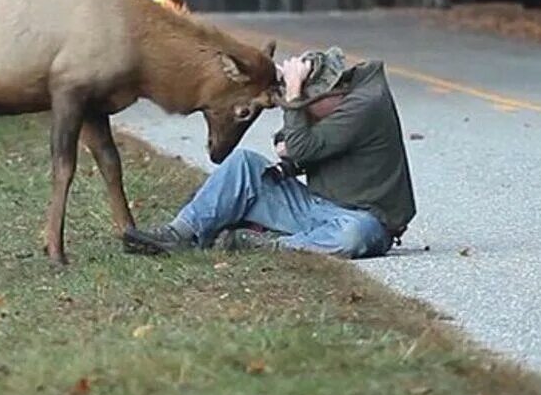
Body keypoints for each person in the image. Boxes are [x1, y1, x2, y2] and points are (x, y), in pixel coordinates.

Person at [123, 48, 416, 259]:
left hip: (365, 218)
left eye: (305, 104)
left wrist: (293, 98)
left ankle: (268, 244)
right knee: (244, 164)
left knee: (355, 236)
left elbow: (299, 146)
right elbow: (286, 144)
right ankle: (180, 233)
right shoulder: (336, 105)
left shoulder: (365, 107)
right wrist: (297, 122)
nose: (302, 110)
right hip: (313, 207)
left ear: (333, 94)